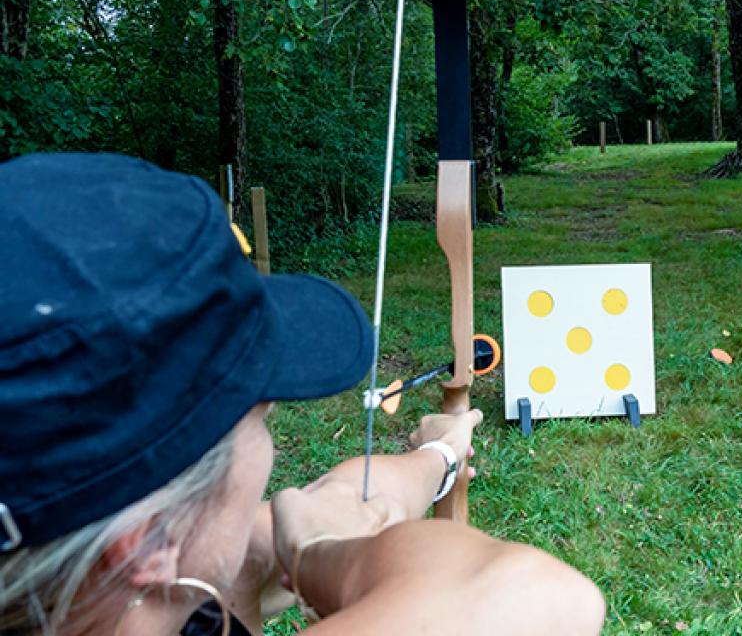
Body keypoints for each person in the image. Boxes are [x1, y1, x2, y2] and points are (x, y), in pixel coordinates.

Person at [0, 153, 606, 636]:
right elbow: (544, 601)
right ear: (152, 543)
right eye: (261, 418)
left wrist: (439, 455)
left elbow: (340, 498)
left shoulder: (145, 588)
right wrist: (318, 551)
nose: (268, 444)